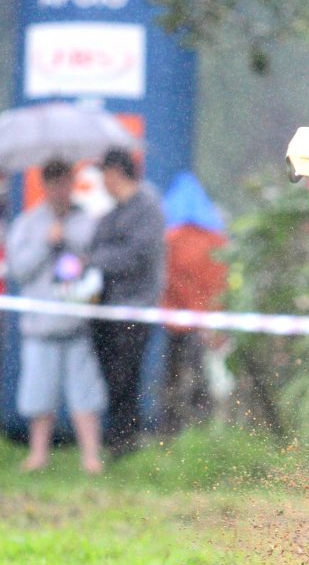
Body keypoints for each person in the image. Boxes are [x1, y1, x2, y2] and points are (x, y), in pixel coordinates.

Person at [6, 158, 106, 475]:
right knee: (39, 394)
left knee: (85, 395)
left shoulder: (86, 221)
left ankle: (91, 457)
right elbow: (18, 269)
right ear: (46, 185)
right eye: (56, 183)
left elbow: (96, 263)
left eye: (67, 183)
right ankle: (38, 455)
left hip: (78, 323)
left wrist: (69, 245)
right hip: (40, 324)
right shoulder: (27, 223)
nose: (63, 190)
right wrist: (45, 244)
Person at [89, 147, 166, 458]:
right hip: (106, 305)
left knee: (126, 375)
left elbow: (137, 255)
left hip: (135, 305)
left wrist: (97, 261)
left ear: (115, 173)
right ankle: (118, 438)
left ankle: (127, 440)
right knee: (111, 375)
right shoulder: (111, 213)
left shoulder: (147, 207)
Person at [158, 171, 229, 435]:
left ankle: (172, 436)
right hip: (209, 324)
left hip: (179, 324)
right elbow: (221, 285)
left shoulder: (171, 239)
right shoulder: (217, 240)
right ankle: (201, 434)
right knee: (203, 384)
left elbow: (167, 282)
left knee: (176, 382)